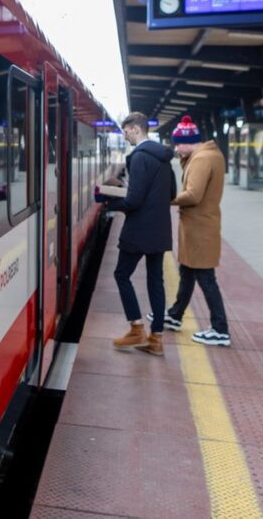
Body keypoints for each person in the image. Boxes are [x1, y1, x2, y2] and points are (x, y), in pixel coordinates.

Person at [101, 112, 175, 357]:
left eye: (125, 131)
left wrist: (110, 203)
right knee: (156, 280)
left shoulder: (139, 157)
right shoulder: (164, 157)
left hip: (140, 229)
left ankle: (136, 328)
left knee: (122, 274)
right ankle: (156, 338)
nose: (125, 136)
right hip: (160, 228)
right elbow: (172, 193)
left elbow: (133, 200)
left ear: (134, 129)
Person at [157, 116, 231, 347]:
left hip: (200, 227)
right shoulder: (208, 155)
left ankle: (220, 329)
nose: (177, 148)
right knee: (188, 272)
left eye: (179, 143)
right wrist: (183, 160)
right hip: (200, 225)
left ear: (189, 142)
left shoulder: (202, 159)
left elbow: (193, 195)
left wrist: (165, 200)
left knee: (206, 278)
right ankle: (175, 315)